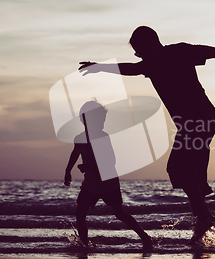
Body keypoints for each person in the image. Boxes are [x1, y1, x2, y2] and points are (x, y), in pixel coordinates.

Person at [79, 26, 215, 244]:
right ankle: (202, 206)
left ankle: (203, 216)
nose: (138, 54)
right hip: (194, 123)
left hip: (199, 120)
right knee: (186, 172)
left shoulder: (179, 52)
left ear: (149, 43)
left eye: (138, 49)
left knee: (179, 170)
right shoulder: (151, 63)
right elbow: (130, 68)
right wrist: (101, 67)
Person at [64, 100, 153, 250]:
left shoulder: (102, 137)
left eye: (103, 120)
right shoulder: (79, 138)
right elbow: (75, 153)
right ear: (84, 120)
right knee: (80, 213)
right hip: (91, 183)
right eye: (98, 120)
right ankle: (84, 245)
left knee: (119, 212)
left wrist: (89, 165)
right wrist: (68, 170)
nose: (102, 123)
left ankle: (145, 237)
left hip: (108, 181)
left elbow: (110, 161)